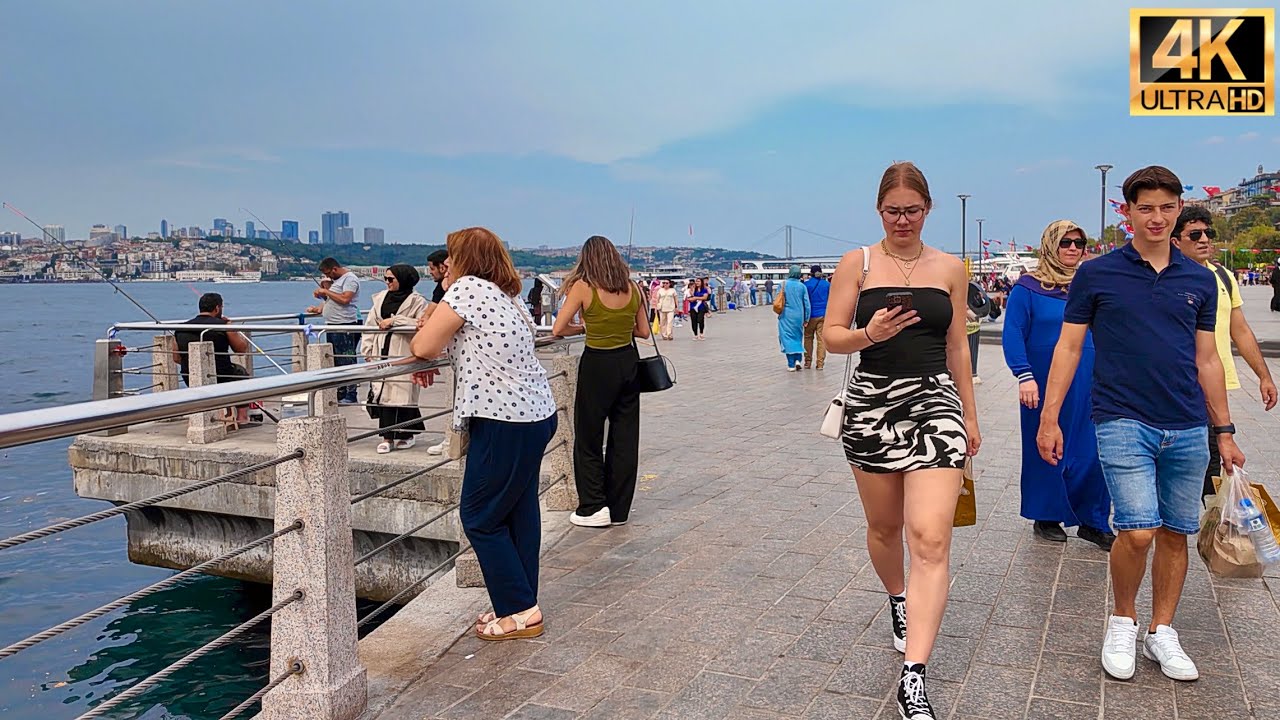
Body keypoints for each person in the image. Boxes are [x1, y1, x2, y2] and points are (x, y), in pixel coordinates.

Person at [1037, 166, 1245, 683]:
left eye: (1166, 208)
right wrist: (1050, 417)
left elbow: (1208, 360)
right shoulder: (1097, 274)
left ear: (1179, 210)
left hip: (1188, 423)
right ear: (1126, 213)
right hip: (1121, 416)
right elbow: (1068, 346)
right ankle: (1123, 620)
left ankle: (1162, 629)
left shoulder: (1200, 279)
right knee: (1137, 528)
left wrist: (1225, 430)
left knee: (1176, 531)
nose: (1156, 217)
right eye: (1145, 208)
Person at [822, 162, 979, 720]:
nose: (903, 220)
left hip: (935, 403)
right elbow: (832, 336)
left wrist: (971, 415)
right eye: (894, 211)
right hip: (870, 404)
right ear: (879, 211)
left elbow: (958, 345)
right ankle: (898, 599)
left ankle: (914, 676)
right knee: (885, 527)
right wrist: (870, 333)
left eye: (913, 210)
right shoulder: (857, 264)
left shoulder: (951, 267)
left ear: (928, 209)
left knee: (930, 537)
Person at [409, 227, 557, 640]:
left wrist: (430, 322)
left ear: (464, 258)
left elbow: (424, 347)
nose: (447, 264)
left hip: (503, 419)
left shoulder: (467, 289)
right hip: (535, 413)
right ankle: (519, 604)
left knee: (479, 518)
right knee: (517, 512)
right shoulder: (505, 295)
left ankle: (521, 611)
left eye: (451, 256)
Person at [1001, 220, 1114, 550]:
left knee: (1093, 448)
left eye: (1079, 243)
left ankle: (1094, 520)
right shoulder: (1027, 287)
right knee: (1046, 448)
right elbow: (1012, 333)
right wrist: (1023, 375)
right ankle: (1046, 515)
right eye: (1065, 243)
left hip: (1091, 378)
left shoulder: (1090, 284)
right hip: (1041, 380)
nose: (1073, 249)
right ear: (1050, 245)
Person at [1170, 206, 1278, 499]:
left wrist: (1264, 376)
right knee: (1198, 454)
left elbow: (1239, 329)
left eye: (1209, 232)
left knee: (1214, 453)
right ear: (1175, 241)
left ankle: (1207, 525)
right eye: (1195, 234)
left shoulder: (1223, 276)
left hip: (1214, 381)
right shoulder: (1167, 279)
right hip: (1178, 383)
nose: (1205, 239)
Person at [552, 236, 650, 527]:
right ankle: (619, 510)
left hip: (597, 363)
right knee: (624, 438)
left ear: (587, 259)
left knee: (588, 436)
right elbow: (643, 331)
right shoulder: (633, 289)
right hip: (628, 363)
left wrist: (585, 325)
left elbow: (558, 328)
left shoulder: (583, 287)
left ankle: (593, 506)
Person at [361, 264, 429, 454]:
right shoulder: (380, 298)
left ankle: (406, 435)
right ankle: (387, 436)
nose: (387, 282)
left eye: (391, 279)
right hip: (380, 350)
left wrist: (396, 321)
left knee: (402, 394)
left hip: (404, 351)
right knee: (383, 394)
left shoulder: (418, 301)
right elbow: (369, 325)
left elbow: (422, 323)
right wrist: (367, 349)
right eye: (386, 279)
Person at [173, 292, 254, 425]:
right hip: (222, 377)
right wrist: (231, 327)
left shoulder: (181, 328)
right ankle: (242, 418)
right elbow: (241, 350)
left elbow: (176, 358)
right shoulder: (222, 326)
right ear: (217, 308)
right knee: (241, 373)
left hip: (190, 377)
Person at [306, 257, 361, 404]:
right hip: (332, 325)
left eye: (329, 273)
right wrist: (320, 305)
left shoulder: (350, 279)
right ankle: (340, 392)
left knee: (347, 359)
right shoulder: (337, 282)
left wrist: (326, 291)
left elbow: (345, 299)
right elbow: (332, 301)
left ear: (335, 269)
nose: (328, 277)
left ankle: (351, 394)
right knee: (335, 360)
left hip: (345, 325)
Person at [777, 265, 811, 371]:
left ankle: (791, 364)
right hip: (799, 316)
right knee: (797, 338)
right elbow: (807, 304)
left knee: (787, 339)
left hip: (785, 315)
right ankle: (798, 359)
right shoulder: (802, 286)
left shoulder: (783, 285)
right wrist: (806, 318)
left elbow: (777, 300)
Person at [802, 264, 830, 369]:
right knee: (821, 339)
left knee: (808, 338)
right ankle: (820, 364)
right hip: (823, 314)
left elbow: (804, 301)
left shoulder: (806, 285)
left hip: (810, 316)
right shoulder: (827, 284)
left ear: (811, 273)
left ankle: (807, 362)